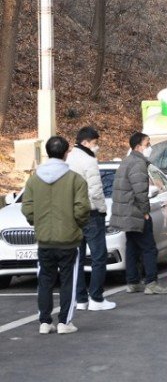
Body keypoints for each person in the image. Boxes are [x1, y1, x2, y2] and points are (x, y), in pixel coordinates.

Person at [22, 136, 90, 334]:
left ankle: (44, 321)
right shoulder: (75, 179)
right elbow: (82, 209)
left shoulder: (34, 179)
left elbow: (27, 208)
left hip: (44, 239)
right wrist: (77, 225)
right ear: (66, 153)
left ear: (47, 152)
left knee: (45, 280)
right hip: (69, 239)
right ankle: (64, 322)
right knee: (68, 280)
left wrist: (38, 222)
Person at [110, 132, 167, 295]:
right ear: (138, 147)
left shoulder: (126, 162)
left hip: (125, 213)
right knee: (149, 248)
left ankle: (133, 282)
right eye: (147, 144)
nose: (150, 147)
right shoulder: (138, 164)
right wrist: (145, 212)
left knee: (132, 247)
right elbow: (140, 191)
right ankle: (151, 282)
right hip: (136, 212)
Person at [66, 127, 116, 312]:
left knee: (77, 258)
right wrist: (102, 209)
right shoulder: (89, 161)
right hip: (91, 213)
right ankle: (96, 297)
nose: (97, 147)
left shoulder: (69, 159)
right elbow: (95, 190)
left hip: (73, 214)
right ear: (86, 142)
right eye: (95, 143)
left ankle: (80, 299)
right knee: (98, 256)